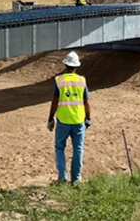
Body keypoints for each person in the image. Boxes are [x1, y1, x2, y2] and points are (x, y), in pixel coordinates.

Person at [46, 51, 91, 184]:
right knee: (78, 149)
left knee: (60, 148)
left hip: (63, 120)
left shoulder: (59, 81)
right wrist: (88, 118)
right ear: (76, 66)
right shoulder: (82, 81)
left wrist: (50, 118)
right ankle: (76, 179)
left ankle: (62, 177)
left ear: (65, 64)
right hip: (78, 120)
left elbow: (55, 101)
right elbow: (86, 102)